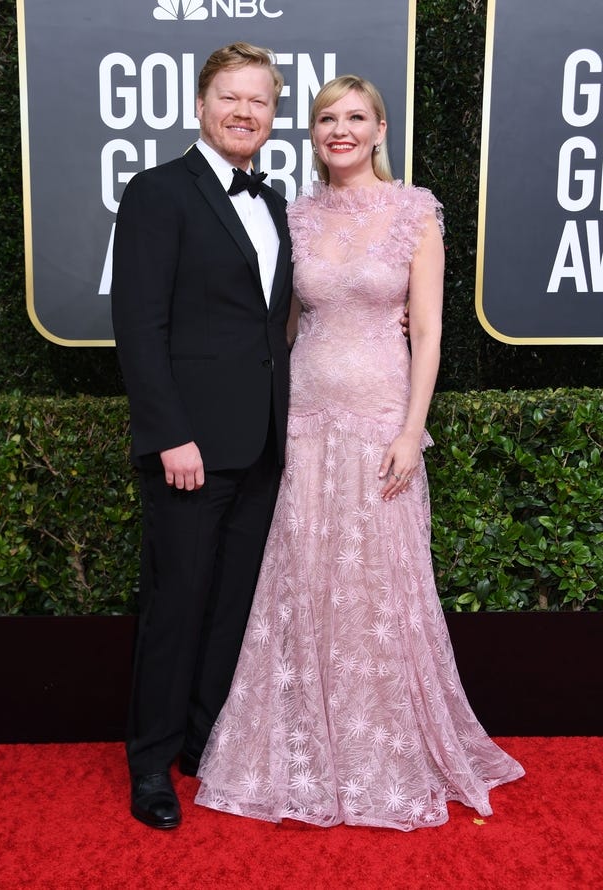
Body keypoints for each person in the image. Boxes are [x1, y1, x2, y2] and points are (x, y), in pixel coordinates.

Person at [195, 74, 525, 829]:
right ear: (311, 134)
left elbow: (432, 331)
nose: (338, 130)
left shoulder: (415, 212)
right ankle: (310, 749)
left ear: (380, 129)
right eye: (323, 119)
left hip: (380, 420)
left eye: (353, 118)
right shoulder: (295, 213)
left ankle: (386, 748)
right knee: (304, 581)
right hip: (304, 421)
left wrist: (412, 431)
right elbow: (277, 326)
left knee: (383, 586)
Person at [111, 43, 293, 830]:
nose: (244, 112)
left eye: (259, 101)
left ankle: (201, 740)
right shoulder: (158, 192)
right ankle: (150, 764)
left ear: (272, 115)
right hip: (189, 447)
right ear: (200, 105)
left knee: (231, 607)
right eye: (230, 97)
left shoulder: (278, 199)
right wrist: (169, 435)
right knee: (177, 605)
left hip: (261, 442)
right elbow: (138, 326)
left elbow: (274, 320)